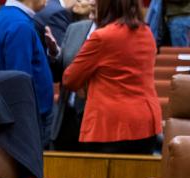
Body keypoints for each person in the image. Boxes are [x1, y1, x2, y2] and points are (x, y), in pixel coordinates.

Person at [63, 0, 161, 154]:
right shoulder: (147, 33)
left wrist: (88, 84)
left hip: (110, 127)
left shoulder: (102, 37)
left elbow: (70, 78)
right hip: (145, 124)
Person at [0, 0, 55, 148]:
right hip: (27, 120)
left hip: (14, 114)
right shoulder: (19, 25)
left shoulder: (6, 16)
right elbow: (20, 82)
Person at [49, 0, 95, 150]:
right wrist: (54, 53)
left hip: (95, 121)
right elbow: (59, 74)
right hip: (66, 117)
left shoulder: (117, 34)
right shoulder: (75, 29)